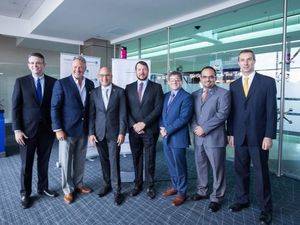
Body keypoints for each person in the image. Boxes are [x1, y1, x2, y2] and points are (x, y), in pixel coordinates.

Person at [227, 49, 277, 225]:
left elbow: (272, 111)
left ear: (254, 61)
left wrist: (269, 135)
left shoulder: (267, 82)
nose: (245, 63)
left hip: (259, 136)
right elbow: (232, 113)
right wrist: (230, 133)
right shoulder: (233, 85)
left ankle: (266, 209)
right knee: (240, 170)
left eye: (249, 59)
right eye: (242, 60)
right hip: (239, 136)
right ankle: (242, 200)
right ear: (239, 63)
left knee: (261, 173)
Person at [12, 53, 58, 209]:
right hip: (26, 131)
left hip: (47, 131)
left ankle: (43, 188)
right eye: (32, 63)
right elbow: (15, 107)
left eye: (38, 63)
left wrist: (56, 127)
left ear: (44, 65)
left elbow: (55, 107)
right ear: (28, 64)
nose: (35, 66)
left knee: (44, 162)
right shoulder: (21, 82)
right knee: (27, 164)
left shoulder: (53, 82)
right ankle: (25, 193)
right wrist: (17, 129)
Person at [51, 55, 94, 204]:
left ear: (85, 68)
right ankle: (68, 190)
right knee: (66, 161)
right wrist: (58, 129)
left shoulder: (89, 84)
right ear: (72, 68)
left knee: (80, 160)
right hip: (66, 131)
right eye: (75, 67)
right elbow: (55, 108)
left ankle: (79, 184)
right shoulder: (61, 83)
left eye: (81, 67)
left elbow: (89, 108)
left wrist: (91, 130)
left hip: (83, 129)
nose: (78, 69)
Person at [191, 66, 230, 212]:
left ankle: (217, 197)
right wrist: (196, 127)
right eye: (205, 76)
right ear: (200, 78)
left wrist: (204, 128)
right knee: (200, 165)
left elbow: (222, 115)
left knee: (217, 168)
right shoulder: (194, 94)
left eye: (211, 76)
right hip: (198, 137)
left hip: (214, 138)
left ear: (215, 77)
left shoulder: (224, 94)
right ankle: (202, 191)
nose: (208, 79)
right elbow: (192, 114)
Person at [88, 67, 127, 205]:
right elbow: (91, 115)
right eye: (102, 75)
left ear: (111, 76)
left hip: (114, 134)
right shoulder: (94, 93)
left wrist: (122, 132)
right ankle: (107, 185)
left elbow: (123, 114)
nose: (105, 78)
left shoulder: (120, 92)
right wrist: (91, 133)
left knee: (114, 161)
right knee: (104, 161)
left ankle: (117, 191)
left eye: (107, 75)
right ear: (99, 76)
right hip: (99, 134)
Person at [125, 61, 163, 199]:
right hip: (134, 129)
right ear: (135, 71)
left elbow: (158, 109)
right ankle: (138, 184)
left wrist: (144, 124)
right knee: (137, 157)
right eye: (139, 69)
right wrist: (135, 125)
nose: (141, 72)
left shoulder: (156, 87)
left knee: (150, 158)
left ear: (148, 71)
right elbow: (126, 109)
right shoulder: (128, 88)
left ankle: (150, 185)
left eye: (144, 69)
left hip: (150, 129)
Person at [160, 71, 193, 206]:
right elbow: (161, 115)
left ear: (181, 81)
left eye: (177, 79)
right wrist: (162, 127)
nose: (174, 81)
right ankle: (175, 186)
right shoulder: (166, 96)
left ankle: (182, 192)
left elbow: (184, 119)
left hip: (178, 137)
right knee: (171, 164)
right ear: (168, 82)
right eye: (172, 79)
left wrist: (167, 129)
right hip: (166, 136)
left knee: (180, 166)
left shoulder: (187, 97)